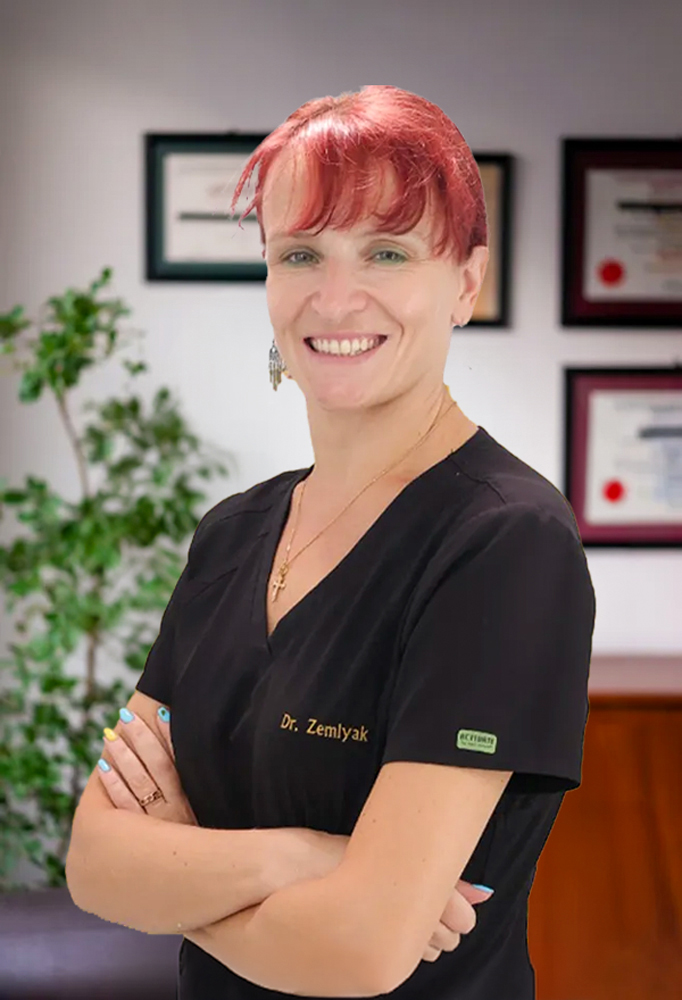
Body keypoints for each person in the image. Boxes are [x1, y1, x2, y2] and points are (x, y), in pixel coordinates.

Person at [131, 85, 596, 998]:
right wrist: (309, 859)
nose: (336, 297)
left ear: (465, 283)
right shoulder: (231, 532)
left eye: (387, 252)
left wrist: (173, 869)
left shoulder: (507, 545)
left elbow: (363, 955)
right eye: (300, 253)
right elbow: (96, 861)